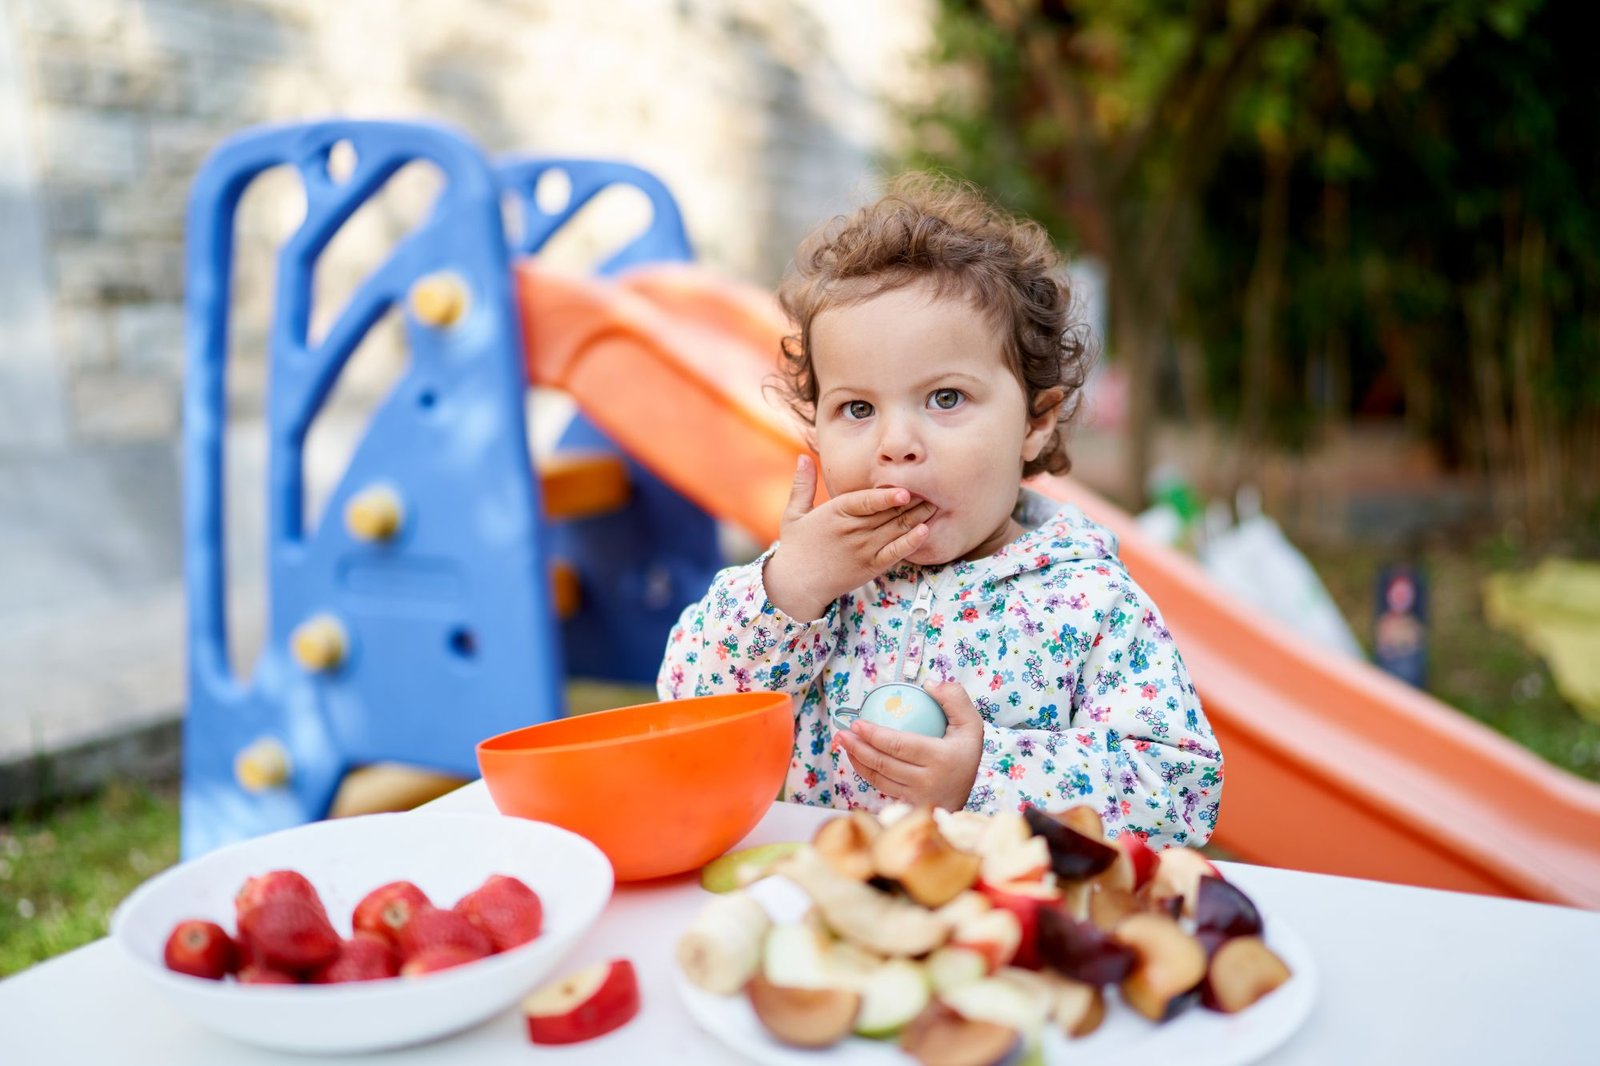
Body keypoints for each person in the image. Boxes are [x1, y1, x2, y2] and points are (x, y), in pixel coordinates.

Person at [657, 173, 1221, 846]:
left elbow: (1181, 789)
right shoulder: (816, 587)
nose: (895, 443)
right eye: (857, 408)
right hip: (837, 897)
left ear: (1037, 421)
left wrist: (985, 776)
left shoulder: (1090, 602)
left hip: (1005, 907)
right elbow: (687, 717)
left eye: (945, 398)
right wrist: (788, 588)